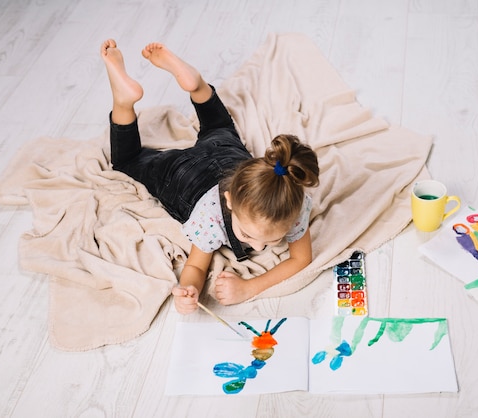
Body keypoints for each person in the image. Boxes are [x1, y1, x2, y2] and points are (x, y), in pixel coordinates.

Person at [100, 39, 319, 314]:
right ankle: (123, 100)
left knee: (219, 125)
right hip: (182, 174)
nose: (259, 246)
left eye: (274, 239)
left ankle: (197, 86)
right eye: (248, 235)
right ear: (228, 202)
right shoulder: (210, 217)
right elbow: (195, 265)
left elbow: (302, 258)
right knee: (126, 161)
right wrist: (189, 287)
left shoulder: (292, 200)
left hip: (225, 154)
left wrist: (250, 287)